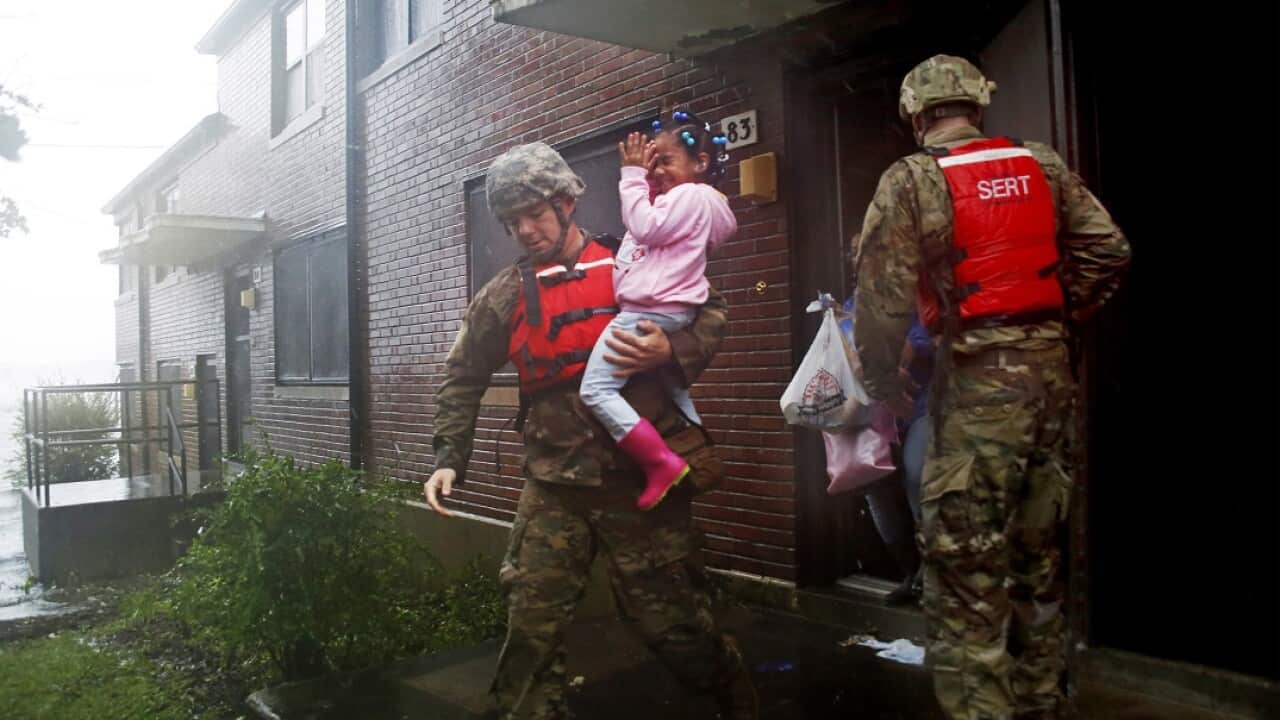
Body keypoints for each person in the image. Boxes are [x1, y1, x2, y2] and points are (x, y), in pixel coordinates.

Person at [423, 141, 758, 719]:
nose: (525, 230)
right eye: (512, 221)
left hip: (639, 485)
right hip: (554, 483)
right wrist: (449, 456)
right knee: (532, 624)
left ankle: (735, 705)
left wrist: (670, 346)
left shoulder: (633, 261)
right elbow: (461, 376)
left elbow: (712, 311)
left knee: (676, 627)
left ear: (566, 203)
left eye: (536, 213)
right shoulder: (503, 295)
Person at [851, 55, 1131, 720]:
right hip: (1050, 386)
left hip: (977, 388)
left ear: (917, 114)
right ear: (977, 107)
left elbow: (882, 301)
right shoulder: (1043, 163)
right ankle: (1041, 706)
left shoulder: (912, 179)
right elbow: (1109, 250)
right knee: (1040, 562)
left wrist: (884, 381)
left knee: (966, 573)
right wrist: (1053, 320)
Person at [579, 109, 736, 511]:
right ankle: (697, 456)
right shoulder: (690, 209)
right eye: (652, 163)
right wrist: (649, 180)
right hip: (670, 312)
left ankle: (661, 464)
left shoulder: (690, 196)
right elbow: (645, 238)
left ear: (700, 163)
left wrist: (630, 177)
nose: (656, 171)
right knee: (678, 394)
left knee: (595, 390)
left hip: (646, 312)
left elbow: (645, 228)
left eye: (665, 161)